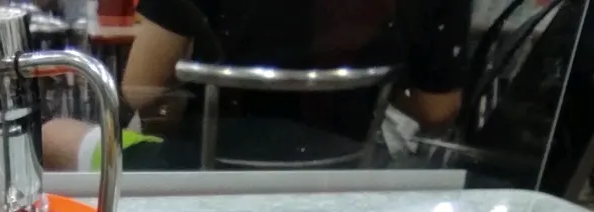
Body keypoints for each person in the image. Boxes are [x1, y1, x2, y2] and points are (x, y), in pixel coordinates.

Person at [43, 0, 472, 170]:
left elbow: (141, 88)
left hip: (201, 172)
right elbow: (438, 109)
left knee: (52, 134)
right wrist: (373, 84)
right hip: (346, 173)